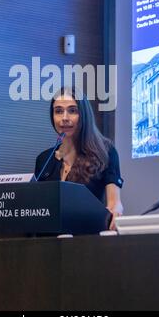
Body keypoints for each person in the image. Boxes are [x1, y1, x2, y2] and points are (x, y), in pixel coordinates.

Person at [34, 87, 124, 230]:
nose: (64, 118)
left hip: (87, 241)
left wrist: (115, 211)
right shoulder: (44, 159)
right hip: (48, 241)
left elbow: (114, 203)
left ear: (84, 115)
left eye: (72, 110)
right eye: (58, 111)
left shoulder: (105, 152)